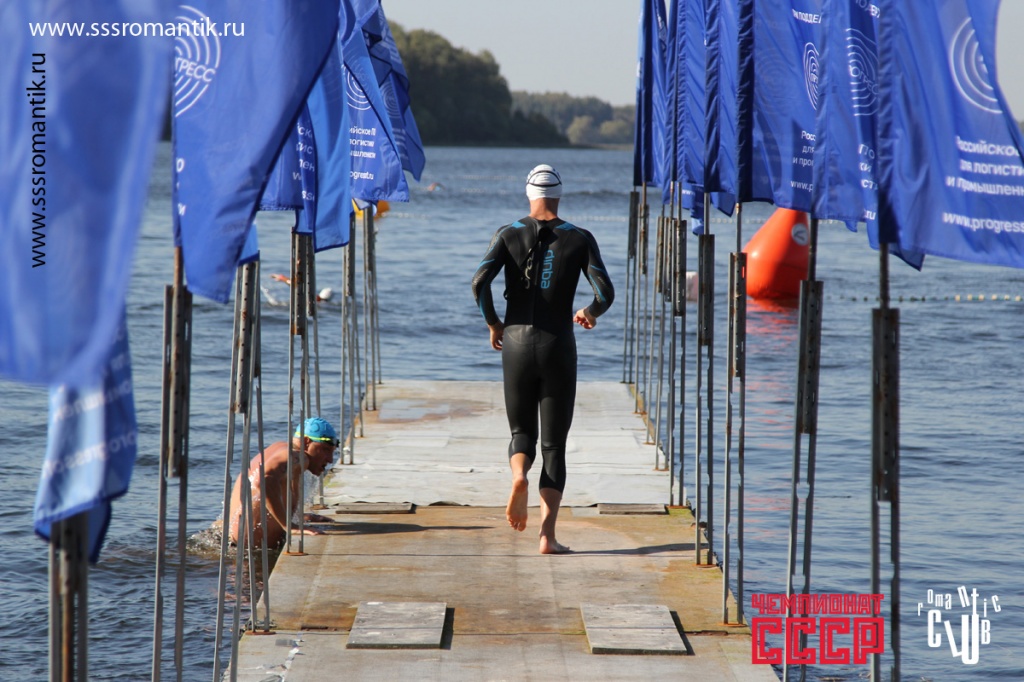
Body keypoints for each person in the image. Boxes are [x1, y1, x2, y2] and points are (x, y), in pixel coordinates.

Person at [471, 164, 614, 554]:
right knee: (554, 446)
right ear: (559, 195)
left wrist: (493, 323)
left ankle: (518, 475)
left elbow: (479, 282)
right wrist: (589, 312)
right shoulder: (580, 238)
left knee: (521, 432)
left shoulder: (508, 233)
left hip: (516, 342)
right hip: (557, 345)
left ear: (528, 194)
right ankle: (547, 536)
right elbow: (605, 292)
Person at [227, 417, 339, 550]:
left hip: (234, 542)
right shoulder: (298, 457)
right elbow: (263, 480)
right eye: (325, 450)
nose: (330, 459)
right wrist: (289, 526)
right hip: (249, 551)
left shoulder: (280, 449)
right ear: (306, 442)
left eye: (332, 452)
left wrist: (298, 517)